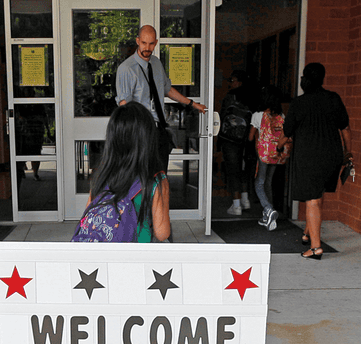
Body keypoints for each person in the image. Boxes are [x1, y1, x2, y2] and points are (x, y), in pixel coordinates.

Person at [283, 62, 352, 260]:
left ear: (305, 78)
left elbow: (287, 132)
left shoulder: (299, 103)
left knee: (312, 200)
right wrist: (349, 154)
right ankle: (307, 232)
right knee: (318, 193)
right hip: (332, 155)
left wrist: (279, 145)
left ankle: (315, 248)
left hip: (309, 156)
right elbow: (345, 129)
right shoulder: (333, 98)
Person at [116, 25, 207, 171]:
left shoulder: (156, 63)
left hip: (159, 130)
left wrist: (192, 104)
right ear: (137, 41)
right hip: (141, 132)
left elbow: (167, 89)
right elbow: (124, 106)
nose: (147, 47)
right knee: (142, 179)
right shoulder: (127, 69)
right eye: (144, 43)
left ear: (156, 42)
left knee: (161, 177)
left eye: (151, 43)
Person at [77, 102, 170, 243]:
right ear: (148, 138)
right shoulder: (155, 179)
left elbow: (88, 214)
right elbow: (162, 233)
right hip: (136, 255)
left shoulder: (102, 174)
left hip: (104, 254)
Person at [249, 85, 291, 231]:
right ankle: (267, 218)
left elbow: (250, 137)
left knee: (259, 183)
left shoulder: (258, 115)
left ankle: (268, 209)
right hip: (277, 154)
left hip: (263, 154)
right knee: (268, 182)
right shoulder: (281, 116)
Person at [219, 70, 258, 216]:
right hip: (248, 138)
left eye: (233, 80)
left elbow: (223, 116)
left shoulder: (230, 97)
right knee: (245, 169)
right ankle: (245, 200)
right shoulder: (252, 97)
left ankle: (236, 205)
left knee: (232, 169)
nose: (231, 83)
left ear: (239, 82)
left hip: (231, 139)